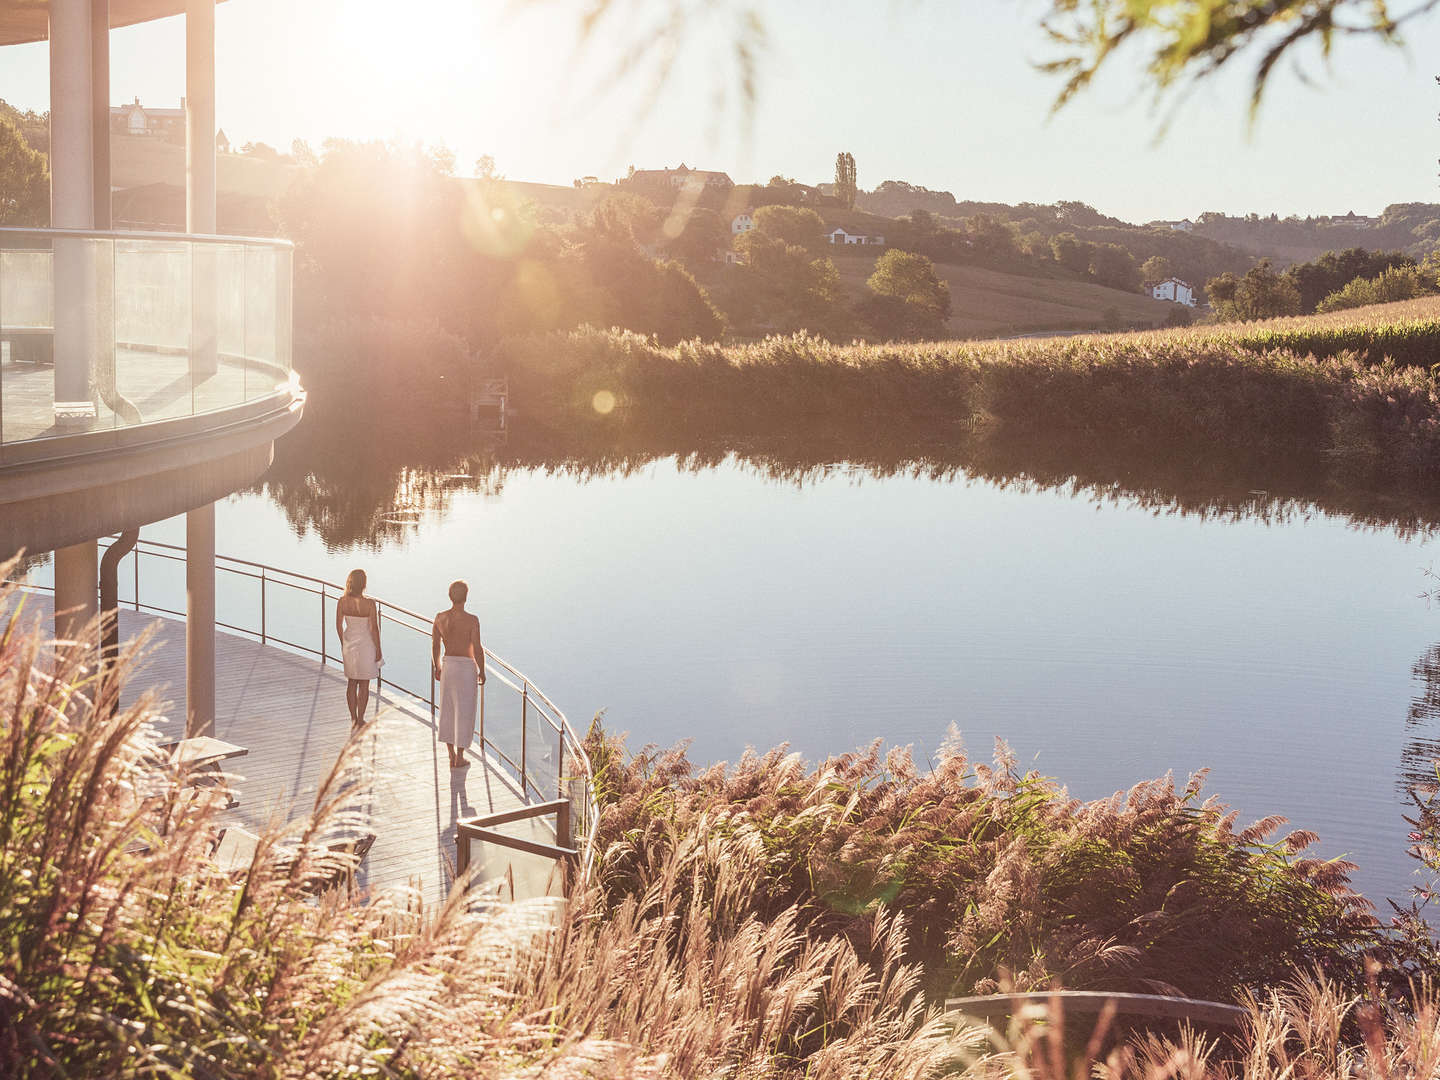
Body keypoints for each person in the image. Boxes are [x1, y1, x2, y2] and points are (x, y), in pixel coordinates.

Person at [432, 579, 485, 768]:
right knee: (465, 712)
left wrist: (437, 667)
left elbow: (435, 646)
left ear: (450, 596)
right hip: (466, 668)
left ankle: (450, 753)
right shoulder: (472, 620)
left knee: (447, 709)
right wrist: (482, 670)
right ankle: (460, 756)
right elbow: (477, 648)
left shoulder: (440, 618)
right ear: (466, 597)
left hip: (448, 666)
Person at [336, 569, 381, 728]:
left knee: (351, 682)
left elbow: (338, 625)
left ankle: (353, 718)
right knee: (364, 684)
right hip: (366, 644)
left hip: (349, 644)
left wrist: (344, 642)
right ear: (364, 584)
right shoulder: (370, 604)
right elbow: (374, 629)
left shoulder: (342, 601)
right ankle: (360, 718)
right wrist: (379, 649)